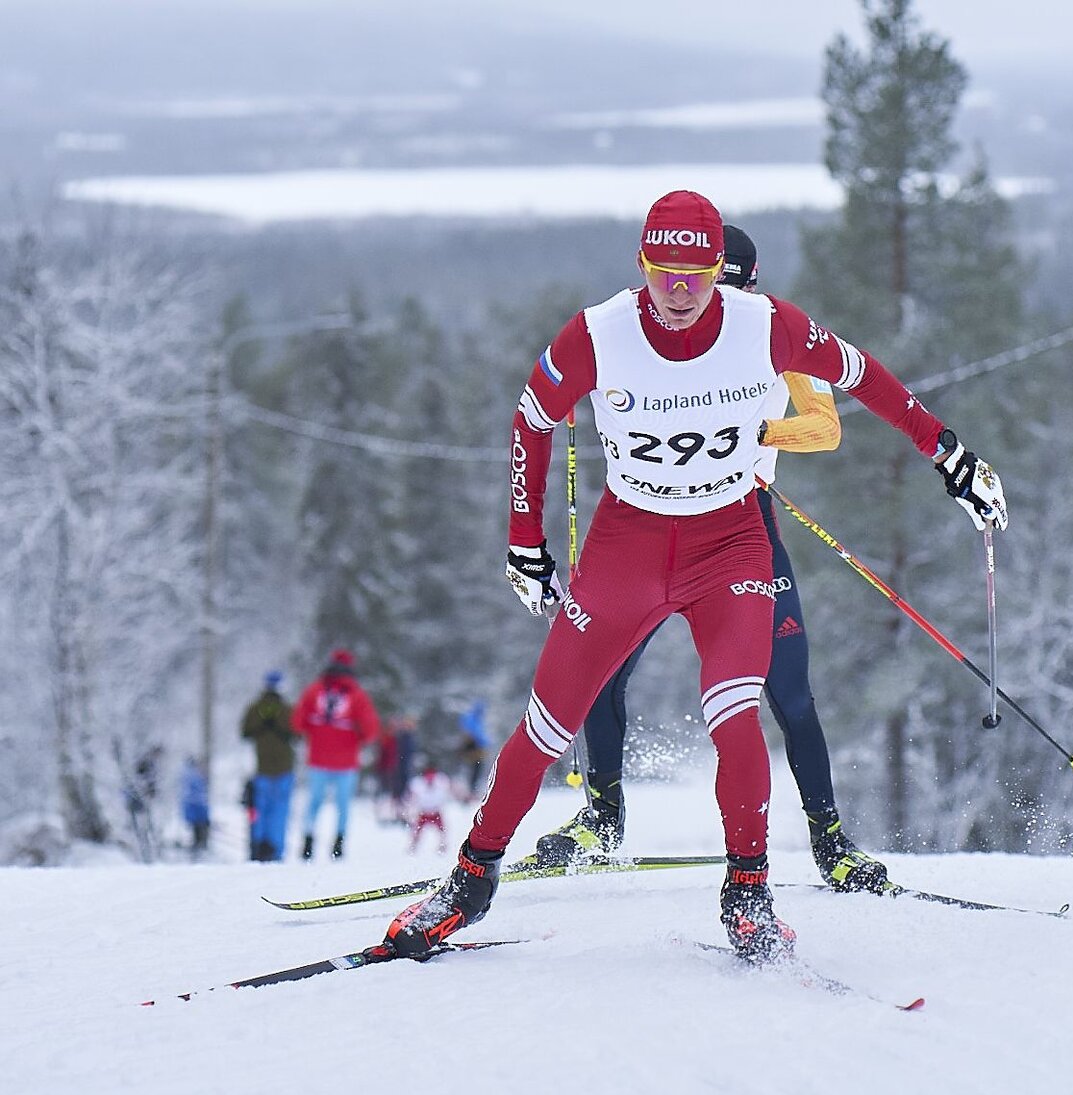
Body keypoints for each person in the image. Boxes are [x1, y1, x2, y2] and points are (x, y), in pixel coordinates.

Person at [378, 190, 1006, 963]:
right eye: (662, 272)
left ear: (719, 270)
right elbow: (532, 416)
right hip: (627, 542)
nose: (677, 291)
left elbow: (862, 376)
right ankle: (469, 882)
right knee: (546, 724)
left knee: (736, 709)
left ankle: (748, 893)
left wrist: (950, 454)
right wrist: (523, 543)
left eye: (695, 273)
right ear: (642, 264)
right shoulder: (600, 331)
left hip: (731, 541)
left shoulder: (766, 323)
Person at [534, 225, 890, 893]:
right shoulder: (657, 329)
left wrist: (759, 431)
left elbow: (828, 426)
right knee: (599, 673)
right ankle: (603, 818)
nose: (701, 303)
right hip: (648, 529)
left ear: (748, 285)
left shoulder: (773, 334)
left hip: (740, 530)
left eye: (723, 287)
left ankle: (832, 842)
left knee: (788, 693)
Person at [291, 648, 380, 860]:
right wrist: (356, 738)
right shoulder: (357, 695)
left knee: (314, 802)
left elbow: (297, 722)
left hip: (318, 758)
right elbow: (371, 729)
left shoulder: (314, 690)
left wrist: (316, 733)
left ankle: (308, 841)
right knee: (343, 805)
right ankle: (338, 844)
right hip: (346, 761)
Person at [240, 669, 295, 862]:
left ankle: (257, 848)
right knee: (279, 811)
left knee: (259, 810)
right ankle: (275, 850)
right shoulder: (287, 710)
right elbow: (297, 734)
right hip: (283, 768)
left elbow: (245, 732)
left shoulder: (255, 708)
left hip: (261, 768)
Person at [405, 761, 453, 854]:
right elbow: (411, 796)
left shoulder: (441, 780)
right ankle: (413, 847)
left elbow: (451, 788)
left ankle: (443, 846)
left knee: (442, 830)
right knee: (417, 831)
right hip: (424, 812)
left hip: (435, 812)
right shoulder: (418, 783)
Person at [456, 700, 491, 797]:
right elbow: (473, 734)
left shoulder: (476, 719)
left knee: (474, 771)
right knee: (472, 770)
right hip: (472, 749)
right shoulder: (472, 719)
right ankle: (469, 791)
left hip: (475, 749)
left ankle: (471, 790)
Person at [178, 755, 211, 857]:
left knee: (195, 832)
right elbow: (199, 797)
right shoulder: (195, 776)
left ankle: (197, 851)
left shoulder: (185, 776)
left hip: (193, 811)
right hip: (198, 811)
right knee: (199, 833)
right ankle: (200, 852)